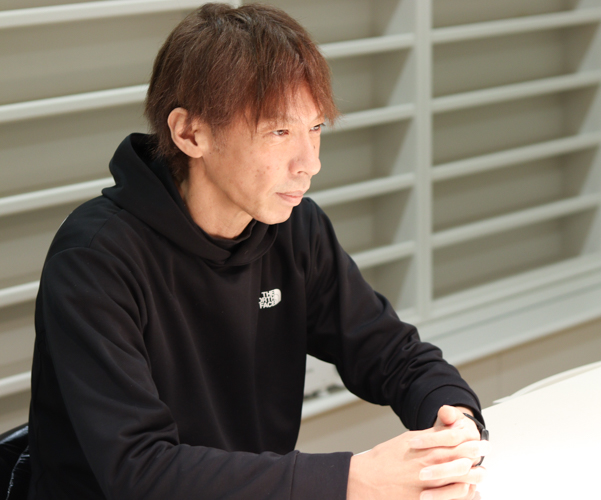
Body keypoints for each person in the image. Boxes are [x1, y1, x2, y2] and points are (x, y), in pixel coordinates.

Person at [27, 4, 488, 499]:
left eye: (315, 129)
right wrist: (353, 479)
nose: (309, 163)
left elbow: (391, 353)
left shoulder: (294, 227)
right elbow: (141, 471)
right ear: (190, 133)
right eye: (279, 132)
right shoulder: (94, 260)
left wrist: (454, 419)